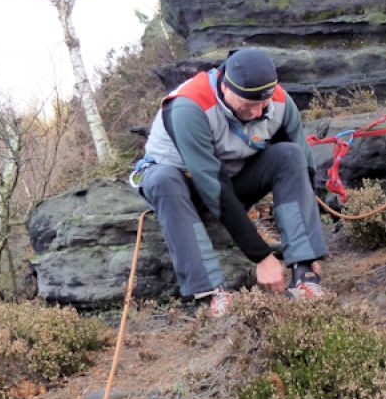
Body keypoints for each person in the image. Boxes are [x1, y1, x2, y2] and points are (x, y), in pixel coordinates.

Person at [135, 48, 328, 316]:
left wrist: (309, 249)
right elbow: (213, 188)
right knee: (163, 179)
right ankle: (210, 292)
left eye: (262, 104)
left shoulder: (281, 103)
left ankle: (304, 273)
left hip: (234, 180)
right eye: (248, 105)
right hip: (186, 186)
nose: (256, 112)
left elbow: (305, 168)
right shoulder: (189, 107)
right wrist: (262, 257)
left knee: (289, 155)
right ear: (225, 87)